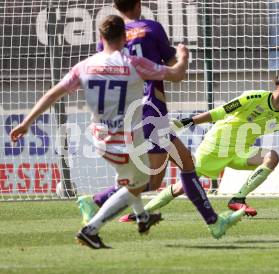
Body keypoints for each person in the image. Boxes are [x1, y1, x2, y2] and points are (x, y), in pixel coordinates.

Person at [11, 14, 188, 249]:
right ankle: (90, 229)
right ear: (125, 38)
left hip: (99, 139)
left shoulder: (84, 66)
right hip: (126, 140)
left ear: (100, 37)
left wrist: (26, 123)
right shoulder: (135, 64)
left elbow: (53, 94)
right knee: (138, 183)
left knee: (127, 177)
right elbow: (176, 75)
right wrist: (183, 57)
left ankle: (143, 217)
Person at [76, 0, 245, 241]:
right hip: (151, 109)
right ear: (139, 3)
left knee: (185, 161)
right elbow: (171, 67)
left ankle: (215, 223)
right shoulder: (151, 28)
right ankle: (95, 201)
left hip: (127, 110)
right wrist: (183, 56)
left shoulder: (109, 38)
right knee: (154, 179)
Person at [118, 66, 279, 221]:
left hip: (241, 153)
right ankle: (142, 211)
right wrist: (183, 123)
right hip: (215, 147)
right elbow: (218, 113)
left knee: (272, 156)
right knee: (183, 186)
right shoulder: (252, 98)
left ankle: (238, 198)